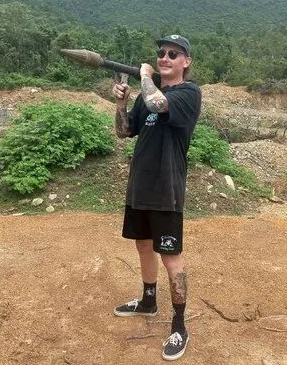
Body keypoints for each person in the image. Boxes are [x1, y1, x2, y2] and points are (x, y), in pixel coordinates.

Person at [111, 34, 202, 361]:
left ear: (186, 62)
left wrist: (146, 76)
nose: (164, 57)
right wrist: (121, 104)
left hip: (167, 190)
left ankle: (179, 326)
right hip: (141, 185)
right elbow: (124, 131)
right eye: (161, 52)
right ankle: (148, 301)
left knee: (170, 255)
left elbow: (158, 104)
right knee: (143, 245)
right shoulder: (145, 95)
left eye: (173, 54)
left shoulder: (189, 93)